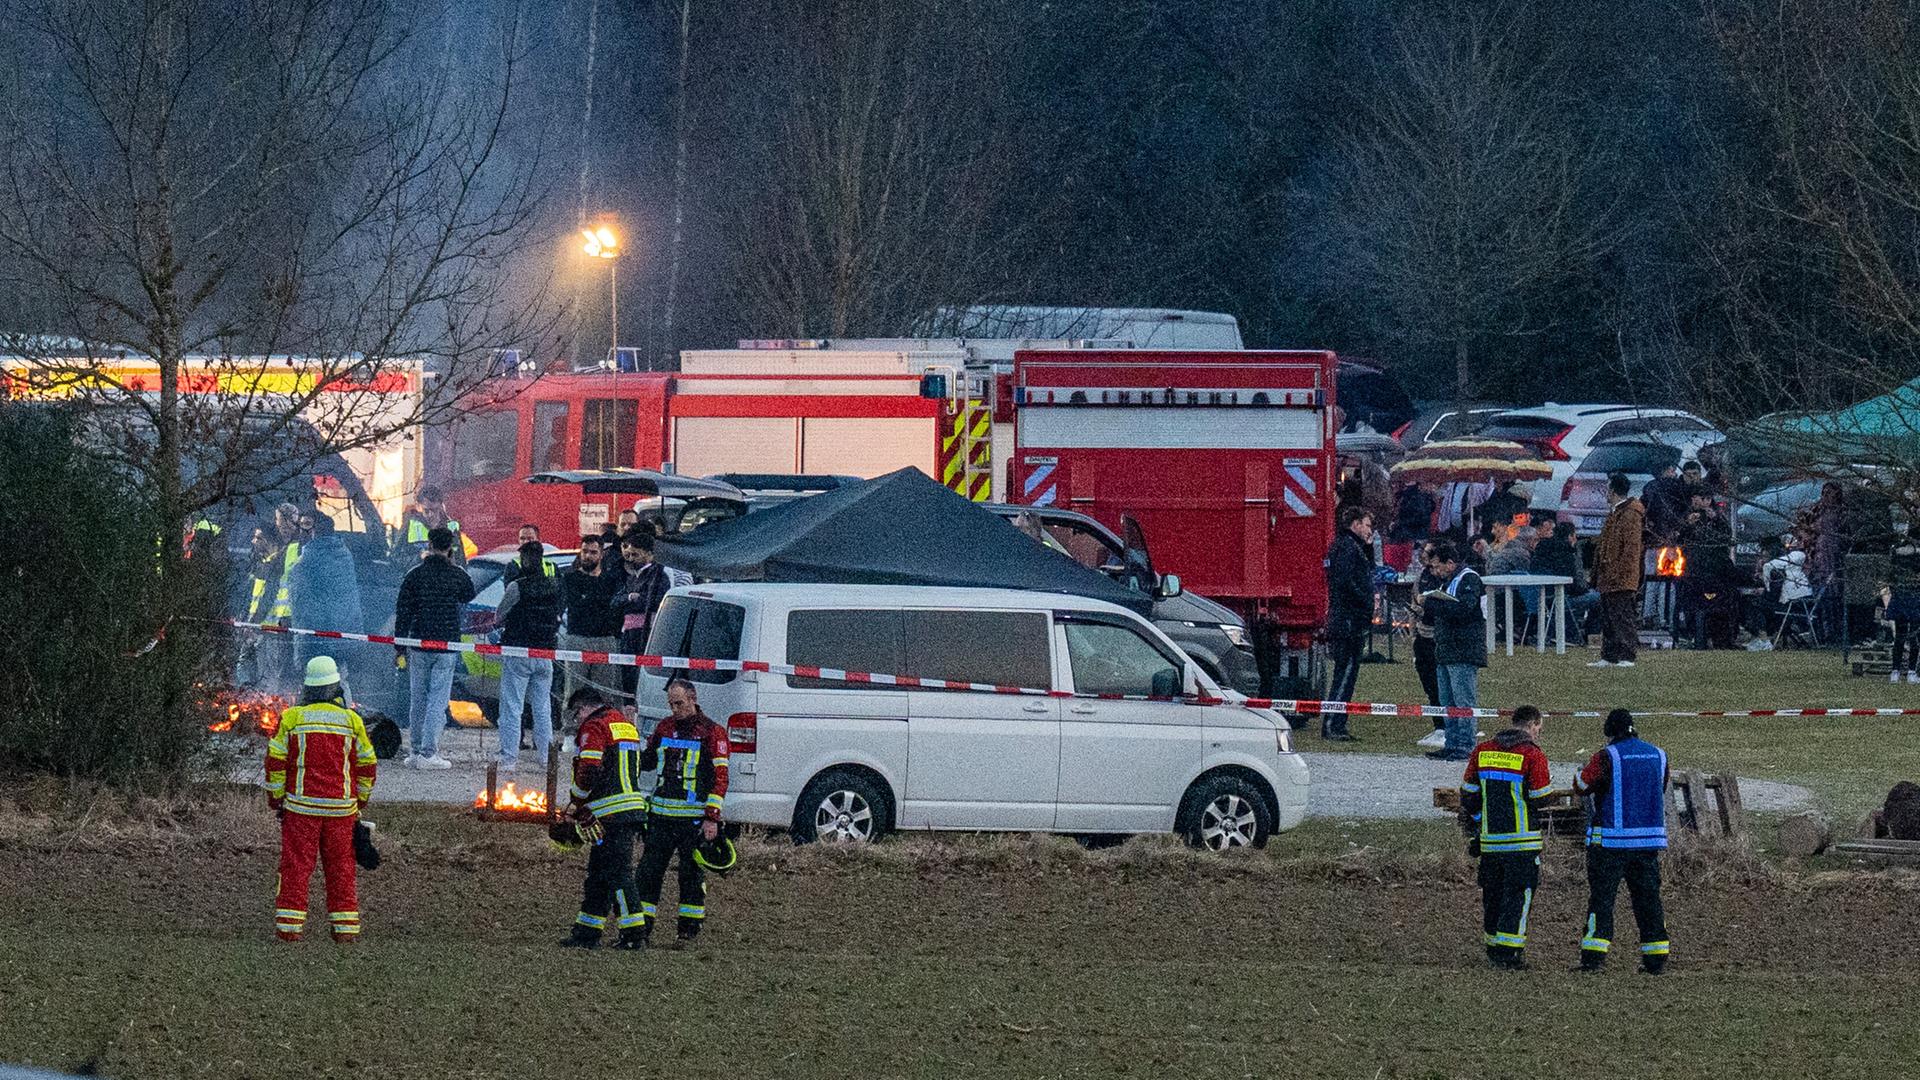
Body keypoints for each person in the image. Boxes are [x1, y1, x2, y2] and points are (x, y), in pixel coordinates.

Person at [266, 656, 378, 943]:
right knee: (341, 868)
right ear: (336, 686)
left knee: (296, 866)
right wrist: (359, 801)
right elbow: (367, 764)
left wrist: (277, 800)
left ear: (307, 687)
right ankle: (345, 931)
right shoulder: (351, 721)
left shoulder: (292, 718)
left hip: (300, 809)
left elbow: (276, 761)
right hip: (341, 810)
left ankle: (289, 929)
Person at [630, 678, 730, 947]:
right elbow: (647, 762)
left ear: (693, 698)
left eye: (679, 703)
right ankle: (642, 930)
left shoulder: (713, 733)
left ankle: (687, 933)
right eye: (671, 704)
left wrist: (711, 818)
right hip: (661, 817)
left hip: (693, 820)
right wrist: (630, 740)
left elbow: (720, 779)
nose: (675, 709)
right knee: (648, 874)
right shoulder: (663, 728)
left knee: (691, 876)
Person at [1574, 708, 1671, 974]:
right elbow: (1660, 788)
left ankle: (1593, 957)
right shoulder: (1658, 755)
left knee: (1602, 900)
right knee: (1649, 900)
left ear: (1609, 732)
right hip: (1648, 842)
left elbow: (1582, 786)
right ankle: (1656, 958)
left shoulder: (1607, 756)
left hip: (1611, 843)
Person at [1460, 704, 1553, 970]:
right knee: (1518, 897)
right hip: (1522, 842)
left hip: (1490, 843)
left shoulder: (1483, 750)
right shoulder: (1532, 754)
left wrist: (1481, 822)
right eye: (1539, 729)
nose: (1539, 734)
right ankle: (1509, 954)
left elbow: (1468, 795)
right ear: (1533, 724)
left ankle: (1492, 947)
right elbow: (1540, 798)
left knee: (1493, 896)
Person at [560, 688, 653, 950]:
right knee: (599, 874)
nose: (577, 720)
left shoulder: (595, 726)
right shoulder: (625, 725)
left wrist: (575, 803)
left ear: (585, 708)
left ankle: (634, 934)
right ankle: (587, 933)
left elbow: (589, 769)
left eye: (577, 713)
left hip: (610, 815)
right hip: (628, 811)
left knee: (618, 874)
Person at [393, 526, 476, 769]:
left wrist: (400, 644)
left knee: (417, 698)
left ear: (429, 545)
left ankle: (415, 751)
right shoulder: (456, 573)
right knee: (437, 700)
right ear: (450, 547)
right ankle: (429, 754)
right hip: (446, 644)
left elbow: (403, 611)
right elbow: (468, 594)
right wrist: (455, 564)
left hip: (418, 643)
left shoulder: (415, 574)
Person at [496, 541, 561, 771]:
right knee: (543, 708)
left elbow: (499, 616)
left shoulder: (517, 586)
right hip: (545, 652)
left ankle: (509, 759)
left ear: (523, 560)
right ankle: (546, 758)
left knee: (512, 707)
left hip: (519, 651)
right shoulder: (553, 585)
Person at [286, 514, 366, 687]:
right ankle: (342, 712)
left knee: (313, 684)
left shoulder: (309, 560)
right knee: (340, 681)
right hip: (345, 633)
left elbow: (300, 602)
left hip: (317, 637)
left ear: (312, 531)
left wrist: (300, 642)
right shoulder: (343, 553)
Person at [1423, 539, 1486, 760]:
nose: (1436, 571)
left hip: (1463, 650)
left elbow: (1464, 609)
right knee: (1447, 702)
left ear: (1450, 563)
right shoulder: (1446, 582)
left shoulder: (1468, 578)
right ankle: (1451, 743)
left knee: (1463, 701)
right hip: (1445, 650)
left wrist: (1436, 605)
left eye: (1438, 566)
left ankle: (1466, 746)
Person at [1321, 506, 1375, 741]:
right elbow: (1346, 583)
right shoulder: (1347, 548)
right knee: (1345, 673)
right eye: (1367, 525)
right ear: (1355, 524)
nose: (1369, 530)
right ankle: (1333, 724)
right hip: (1348, 620)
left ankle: (1336, 722)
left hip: (1346, 617)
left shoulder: (1348, 547)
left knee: (1346, 672)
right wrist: (1365, 601)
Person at [561, 535, 623, 706]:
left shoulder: (611, 579)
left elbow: (617, 607)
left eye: (593, 552)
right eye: (585, 551)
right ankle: (570, 730)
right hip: (577, 639)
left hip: (604, 640)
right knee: (573, 690)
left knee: (605, 692)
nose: (588, 556)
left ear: (601, 554)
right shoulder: (570, 578)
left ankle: (602, 727)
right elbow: (575, 604)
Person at [1592, 473, 1645, 668]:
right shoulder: (1615, 513)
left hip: (1621, 576)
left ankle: (1627, 655)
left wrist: (1618, 572)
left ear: (1612, 490)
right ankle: (1609, 655)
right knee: (1609, 617)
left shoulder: (1630, 514)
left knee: (1622, 616)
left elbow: (1631, 549)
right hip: (1609, 574)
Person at [611, 530, 671, 701]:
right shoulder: (631, 578)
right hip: (628, 634)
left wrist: (633, 600)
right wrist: (630, 598)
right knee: (628, 678)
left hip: (646, 633)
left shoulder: (658, 576)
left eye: (636, 554)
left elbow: (655, 601)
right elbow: (615, 602)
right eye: (629, 554)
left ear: (649, 554)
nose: (631, 558)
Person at [1531, 521, 1600, 644]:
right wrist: (1586, 588)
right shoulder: (1566, 553)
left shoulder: (1541, 548)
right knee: (1598, 597)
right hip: (1560, 598)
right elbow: (1572, 586)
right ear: (1570, 536)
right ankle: (1592, 635)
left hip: (1540, 597)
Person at [1410, 541, 1447, 748]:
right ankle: (1438, 726)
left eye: (1426, 553)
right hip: (1422, 635)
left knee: (1442, 684)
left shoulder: (1447, 579)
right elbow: (1414, 601)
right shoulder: (1422, 577)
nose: (1422, 556)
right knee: (1429, 684)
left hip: (1439, 637)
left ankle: (1449, 725)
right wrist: (1413, 632)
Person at [1882, 528, 1920, 682]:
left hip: (1899, 597)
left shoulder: (1896, 553)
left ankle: (1895, 671)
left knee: (1900, 635)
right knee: (1915, 636)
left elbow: (1889, 576)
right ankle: (1911, 672)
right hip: (1915, 598)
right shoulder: (1917, 557)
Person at [401, 485, 465, 564]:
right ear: (418, 506)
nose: (431, 514)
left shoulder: (452, 527)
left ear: (441, 506)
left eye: (434, 510)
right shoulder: (410, 526)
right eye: (426, 510)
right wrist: (419, 557)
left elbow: (460, 560)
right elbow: (397, 559)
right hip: (420, 575)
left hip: (445, 574)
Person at [1640, 464, 1689, 547]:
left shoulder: (1650, 486)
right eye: (1672, 471)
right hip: (1674, 530)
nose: (1675, 474)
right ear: (1664, 472)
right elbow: (1684, 507)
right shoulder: (1678, 486)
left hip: (1654, 532)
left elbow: (1645, 506)